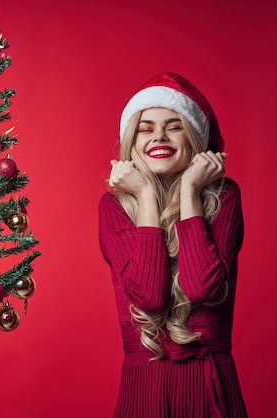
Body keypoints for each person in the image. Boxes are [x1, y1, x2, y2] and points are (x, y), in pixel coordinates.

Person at [98, 72, 247, 417]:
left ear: (194, 137)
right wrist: (147, 195)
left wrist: (190, 191)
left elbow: (202, 288)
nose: (159, 137)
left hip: (213, 387)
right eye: (145, 127)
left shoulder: (225, 196)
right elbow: (149, 297)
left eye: (174, 126)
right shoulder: (113, 207)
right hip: (145, 387)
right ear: (131, 142)